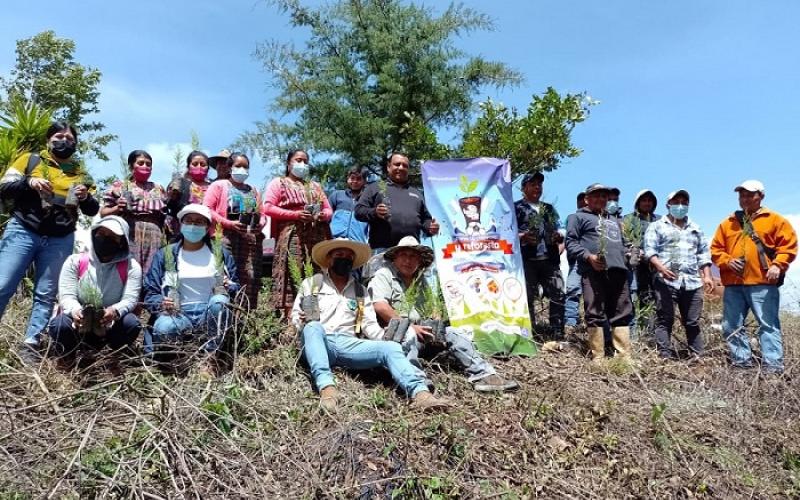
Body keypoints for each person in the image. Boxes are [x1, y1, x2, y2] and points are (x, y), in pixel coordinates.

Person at [293, 238, 451, 412]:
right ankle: (327, 389)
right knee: (312, 327)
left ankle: (420, 394)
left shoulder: (360, 291)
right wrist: (300, 321)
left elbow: (369, 326)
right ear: (329, 259)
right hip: (319, 341)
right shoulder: (312, 283)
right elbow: (296, 315)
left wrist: (386, 336)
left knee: (390, 348)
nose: (344, 259)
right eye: (339, 255)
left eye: (348, 256)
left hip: (349, 343)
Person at [369, 236, 519, 392]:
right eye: (404, 255)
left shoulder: (420, 280)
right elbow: (380, 306)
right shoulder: (384, 275)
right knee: (409, 335)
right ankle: (417, 382)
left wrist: (435, 322)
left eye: (413, 256)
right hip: (396, 334)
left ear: (420, 261)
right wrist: (412, 327)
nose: (408, 260)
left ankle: (484, 375)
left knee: (453, 333)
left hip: (422, 333)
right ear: (395, 258)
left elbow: (431, 308)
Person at [0, 121, 100, 353]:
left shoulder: (80, 172)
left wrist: (85, 197)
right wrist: (29, 182)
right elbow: (4, 187)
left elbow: (93, 210)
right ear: (48, 139)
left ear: (75, 144)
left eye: (69, 138)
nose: (64, 141)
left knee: (46, 293)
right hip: (23, 230)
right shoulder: (29, 160)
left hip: (60, 238)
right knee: (3, 284)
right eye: (58, 136)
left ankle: (31, 344)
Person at [711, 180, 797, 373]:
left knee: (768, 325)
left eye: (750, 195)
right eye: (742, 195)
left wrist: (778, 265)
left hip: (763, 283)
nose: (745, 198)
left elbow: (788, 247)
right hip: (733, 285)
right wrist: (726, 261)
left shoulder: (775, 220)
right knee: (731, 326)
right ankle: (742, 366)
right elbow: (715, 249)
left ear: (761, 196)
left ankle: (773, 368)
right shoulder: (728, 223)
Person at [143, 204, 240, 373]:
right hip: (178, 313)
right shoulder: (166, 254)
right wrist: (160, 302)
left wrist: (229, 286)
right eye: (189, 221)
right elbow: (150, 292)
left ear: (208, 227)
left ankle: (210, 357)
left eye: (199, 222)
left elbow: (236, 286)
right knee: (164, 327)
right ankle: (176, 358)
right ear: (181, 224)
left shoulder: (219, 253)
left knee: (220, 302)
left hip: (208, 312)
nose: (193, 226)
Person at [49, 216, 142, 367]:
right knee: (60, 325)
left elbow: (130, 299)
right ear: (93, 234)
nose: (105, 239)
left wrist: (114, 311)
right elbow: (66, 296)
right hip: (77, 325)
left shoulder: (132, 267)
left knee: (131, 323)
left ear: (121, 243)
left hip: (109, 326)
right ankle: (68, 356)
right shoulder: (75, 261)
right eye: (101, 234)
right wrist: (76, 311)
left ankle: (114, 356)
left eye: (112, 237)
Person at [565, 183, 633, 363]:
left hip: (619, 271)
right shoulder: (577, 217)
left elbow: (625, 243)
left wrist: (629, 254)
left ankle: (624, 356)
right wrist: (589, 257)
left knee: (622, 311)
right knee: (594, 311)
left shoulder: (616, 220)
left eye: (604, 196)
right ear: (586, 199)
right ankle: (599, 356)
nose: (600, 199)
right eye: (596, 195)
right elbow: (570, 243)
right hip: (593, 271)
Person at [643, 190, 714, 359]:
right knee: (665, 319)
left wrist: (707, 276)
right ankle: (664, 356)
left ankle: (697, 356)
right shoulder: (657, 226)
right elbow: (649, 251)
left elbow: (703, 253)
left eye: (684, 202)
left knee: (692, 321)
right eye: (676, 202)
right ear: (668, 205)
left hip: (692, 282)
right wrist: (660, 268)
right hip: (666, 280)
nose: (680, 205)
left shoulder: (695, 228)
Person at [263, 149, 332, 317]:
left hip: (316, 236)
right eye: (298, 160)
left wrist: (322, 215)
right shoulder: (279, 183)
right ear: (289, 164)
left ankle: (313, 316)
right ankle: (289, 319)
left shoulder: (314, 186)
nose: (302, 164)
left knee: (315, 274)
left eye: (305, 161)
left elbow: (329, 209)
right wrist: (295, 214)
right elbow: (268, 207)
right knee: (292, 272)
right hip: (292, 235)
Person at [204, 152, 265, 308]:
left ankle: (245, 319)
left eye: (245, 166)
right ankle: (221, 316)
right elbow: (207, 209)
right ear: (229, 167)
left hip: (249, 240)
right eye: (238, 166)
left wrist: (261, 224)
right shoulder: (218, 186)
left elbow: (262, 214)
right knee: (224, 276)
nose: (242, 169)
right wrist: (228, 223)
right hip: (224, 238)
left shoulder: (254, 190)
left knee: (249, 278)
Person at [354, 152, 439, 253]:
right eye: (397, 164)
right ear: (388, 167)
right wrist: (375, 212)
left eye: (405, 166)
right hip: (382, 250)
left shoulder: (417, 193)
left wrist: (430, 227)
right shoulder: (375, 187)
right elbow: (359, 211)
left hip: (411, 253)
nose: (401, 167)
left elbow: (425, 220)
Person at [514, 172, 566, 336]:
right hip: (527, 259)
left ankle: (557, 331)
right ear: (524, 188)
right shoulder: (516, 208)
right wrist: (522, 237)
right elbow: (507, 234)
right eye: (533, 184)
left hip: (550, 259)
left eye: (539, 184)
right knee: (526, 296)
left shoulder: (549, 209)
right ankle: (529, 332)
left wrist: (558, 237)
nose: (537, 187)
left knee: (558, 293)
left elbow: (559, 228)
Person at [100, 150, 167, 275]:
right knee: (130, 270)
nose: (145, 167)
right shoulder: (120, 186)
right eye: (140, 163)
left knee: (152, 271)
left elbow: (165, 216)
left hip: (154, 235)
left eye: (148, 164)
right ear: (131, 166)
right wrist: (117, 208)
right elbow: (103, 212)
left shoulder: (158, 189)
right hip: (129, 233)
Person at [622, 189, 661, 331]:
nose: (647, 203)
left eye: (650, 200)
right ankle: (635, 333)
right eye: (644, 200)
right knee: (637, 297)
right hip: (636, 265)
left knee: (656, 298)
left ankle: (653, 333)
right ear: (638, 203)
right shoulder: (628, 219)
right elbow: (625, 239)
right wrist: (637, 250)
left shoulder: (660, 220)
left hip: (657, 266)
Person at [165, 150, 212, 239]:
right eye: (195, 164)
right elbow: (169, 204)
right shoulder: (181, 184)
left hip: (207, 232)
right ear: (188, 167)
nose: (199, 167)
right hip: (181, 232)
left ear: (208, 168)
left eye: (203, 164)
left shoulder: (214, 187)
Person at [564, 192, 587, 330]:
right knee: (573, 289)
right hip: (578, 260)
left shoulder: (598, 218)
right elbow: (570, 239)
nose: (583, 202)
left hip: (593, 260)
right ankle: (570, 323)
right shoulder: (573, 218)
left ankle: (592, 324)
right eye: (581, 200)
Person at [329, 167, 369, 243]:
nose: (355, 181)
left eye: (359, 179)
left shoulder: (368, 200)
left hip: (358, 242)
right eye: (352, 178)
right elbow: (327, 217)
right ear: (347, 179)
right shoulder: (337, 195)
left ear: (364, 181)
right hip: (335, 240)